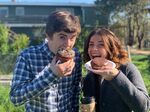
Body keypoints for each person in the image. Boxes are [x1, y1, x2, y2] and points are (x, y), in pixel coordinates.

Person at [10, 11, 82, 112]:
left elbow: (75, 90)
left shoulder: (76, 56)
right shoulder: (28, 56)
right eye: (62, 37)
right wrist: (52, 74)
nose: (68, 44)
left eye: (72, 38)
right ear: (48, 36)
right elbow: (16, 98)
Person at [81, 28, 150, 112]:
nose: (94, 49)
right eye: (91, 44)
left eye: (101, 44)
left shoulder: (127, 69)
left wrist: (116, 76)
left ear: (111, 48)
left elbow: (143, 106)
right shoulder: (89, 77)